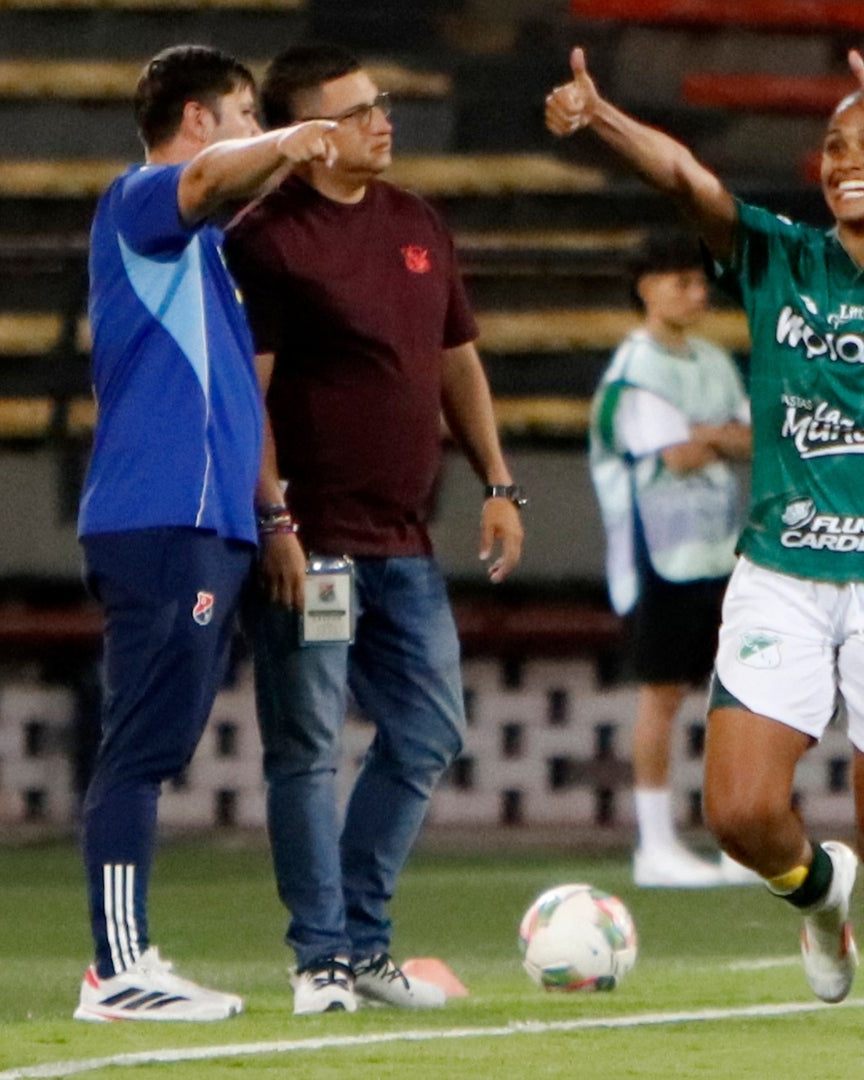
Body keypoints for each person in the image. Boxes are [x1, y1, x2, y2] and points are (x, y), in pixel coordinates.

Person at [548, 46, 864, 1080]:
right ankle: (813, 893)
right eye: (836, 145)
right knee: (741, 813)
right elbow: (689, 179)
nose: (849, 160)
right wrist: (606, 117)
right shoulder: (777, 257)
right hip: (783, 570)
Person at [225, 42, 525, 1016]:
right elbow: (248, 398)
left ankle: (358, 944)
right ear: (306, 137)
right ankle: (321, 960)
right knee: (307, 747)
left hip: (405, 543)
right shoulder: (265, 239)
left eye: (381, 103)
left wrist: (499, 481)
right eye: (355, 112)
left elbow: (458, 363)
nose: (380, 121)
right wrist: (273, 517)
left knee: (431, 729)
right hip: (314, 546)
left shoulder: (416, 222)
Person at [74, 44, 337, 1022]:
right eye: (241, 115)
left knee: (157, 743)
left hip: (205, 527)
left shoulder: (205, 256)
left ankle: (127, 957)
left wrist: (269, 516)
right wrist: (297, 137)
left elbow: (232, 404)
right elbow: (216, 175)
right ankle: (115, 969)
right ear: (196, 121)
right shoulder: (142, 200)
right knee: (140, 748)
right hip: (161, 523)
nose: (250, 134)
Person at [588, 233, 757, 888]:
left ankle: (735, 838)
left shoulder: (715, 359)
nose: (697, 292)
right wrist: (714, 439)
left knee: (731, 693)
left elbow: (748, 440)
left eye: (699, 280)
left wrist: (703, 436)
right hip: (658, 552)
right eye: (681, 279)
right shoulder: (633, 371)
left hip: (721, 546)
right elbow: (678, 456)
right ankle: (653, 844)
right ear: (646, 287)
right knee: (661, 694)